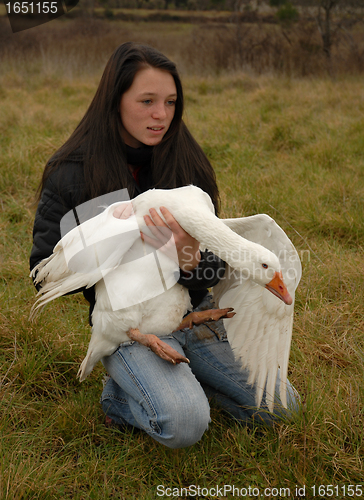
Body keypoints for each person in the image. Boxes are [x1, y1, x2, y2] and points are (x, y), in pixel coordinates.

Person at [30, 41, 300, 449]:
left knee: (282, 410)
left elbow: (218, 268)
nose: (161, 115)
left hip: (193, 314)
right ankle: (122, 399)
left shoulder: (188, 167)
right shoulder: (72, 173)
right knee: (185, 424)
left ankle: (178, 384)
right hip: (131, 326)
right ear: (115, 100)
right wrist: (120, 257)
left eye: (171, 102)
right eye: (147, 101)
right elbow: (43, 268)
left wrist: (186, 258)